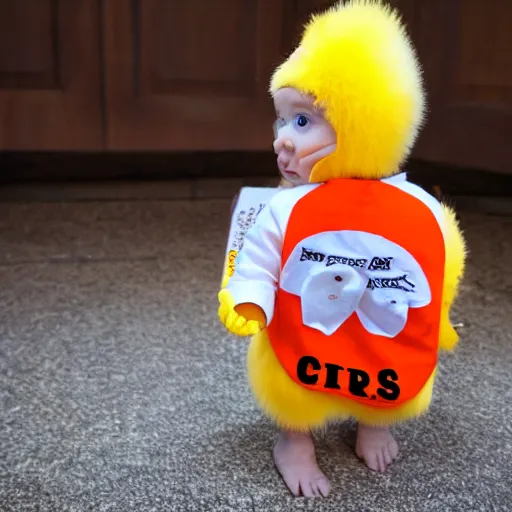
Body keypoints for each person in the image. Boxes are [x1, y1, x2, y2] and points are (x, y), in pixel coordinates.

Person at [218, 0, 467, 498]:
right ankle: (295, 439)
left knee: (388, 366)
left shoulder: (421, 212)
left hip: (379, 323)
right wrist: (248, 296)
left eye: (304, 121)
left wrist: (436, 318)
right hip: (305, 326)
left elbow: (440, 267)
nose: (282, 141)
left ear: (368, 123)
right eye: (281, 122)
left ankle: (375, 422)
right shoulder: (286, 209)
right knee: (294, 377)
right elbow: (259, 260)